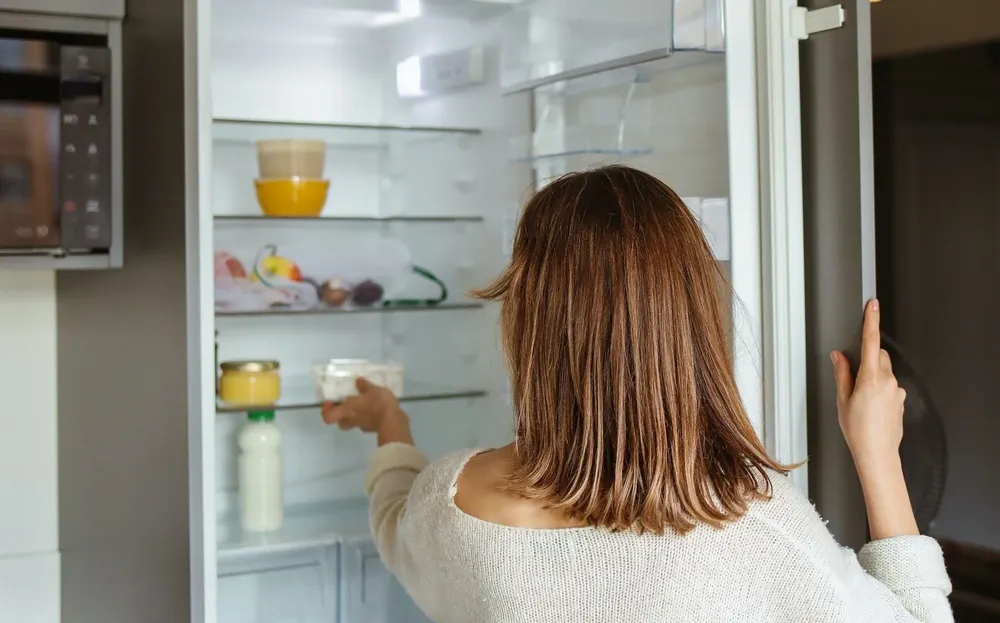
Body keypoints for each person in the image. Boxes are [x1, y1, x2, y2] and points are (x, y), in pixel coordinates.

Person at [322, 165, 953, 622]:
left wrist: (389, 422)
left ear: (530, 322)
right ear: (689, 321)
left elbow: (394, 519)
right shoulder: (749, 520)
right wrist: (877, 454)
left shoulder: (455, 501)